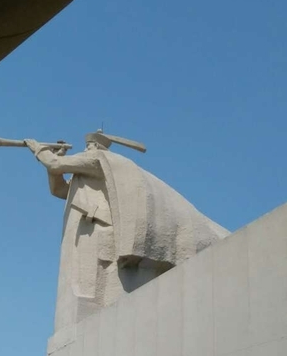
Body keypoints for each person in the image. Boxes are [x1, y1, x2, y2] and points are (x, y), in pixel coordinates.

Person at [23, 133, 228, 330]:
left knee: (97, 288)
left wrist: (39, 149)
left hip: (98, 228)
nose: (86, 149)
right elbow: (58, 189)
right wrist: (56, 158)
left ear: (96, 147)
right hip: (85, 231)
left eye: (89, 145)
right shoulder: (84, 176)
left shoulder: (97, 159)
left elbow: (55, 165)